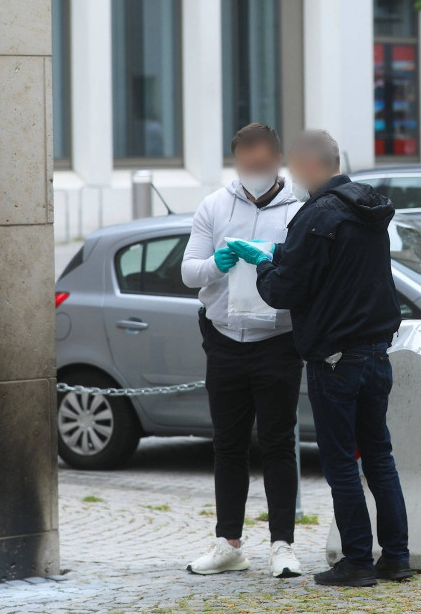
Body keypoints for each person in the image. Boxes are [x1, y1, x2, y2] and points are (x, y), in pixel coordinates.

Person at [227, 129, 411, 588]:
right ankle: (396, 557)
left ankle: (356, 563)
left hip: (335, 357)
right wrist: (285, 256)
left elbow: (284, 290)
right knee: (379, 457)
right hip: (375, 351)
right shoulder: (368, 207)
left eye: (291, 166)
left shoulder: (317, 215)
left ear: (309, 165)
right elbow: (337, 271)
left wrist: (265, 264)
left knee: (341, 462)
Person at [180, 123, 304, 579]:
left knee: (277, 445)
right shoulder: (214, 205)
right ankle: (228, 542)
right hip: (225, 340)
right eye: (245, 162)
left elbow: (309, 274)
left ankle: (282, 546)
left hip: (278, 341)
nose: (254, 169)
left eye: (262, 162)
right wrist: (218, 263)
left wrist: (271, 260)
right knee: (228, 446)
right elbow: (188, 272)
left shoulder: (301, 209)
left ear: (276, 161)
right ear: (236, 161)